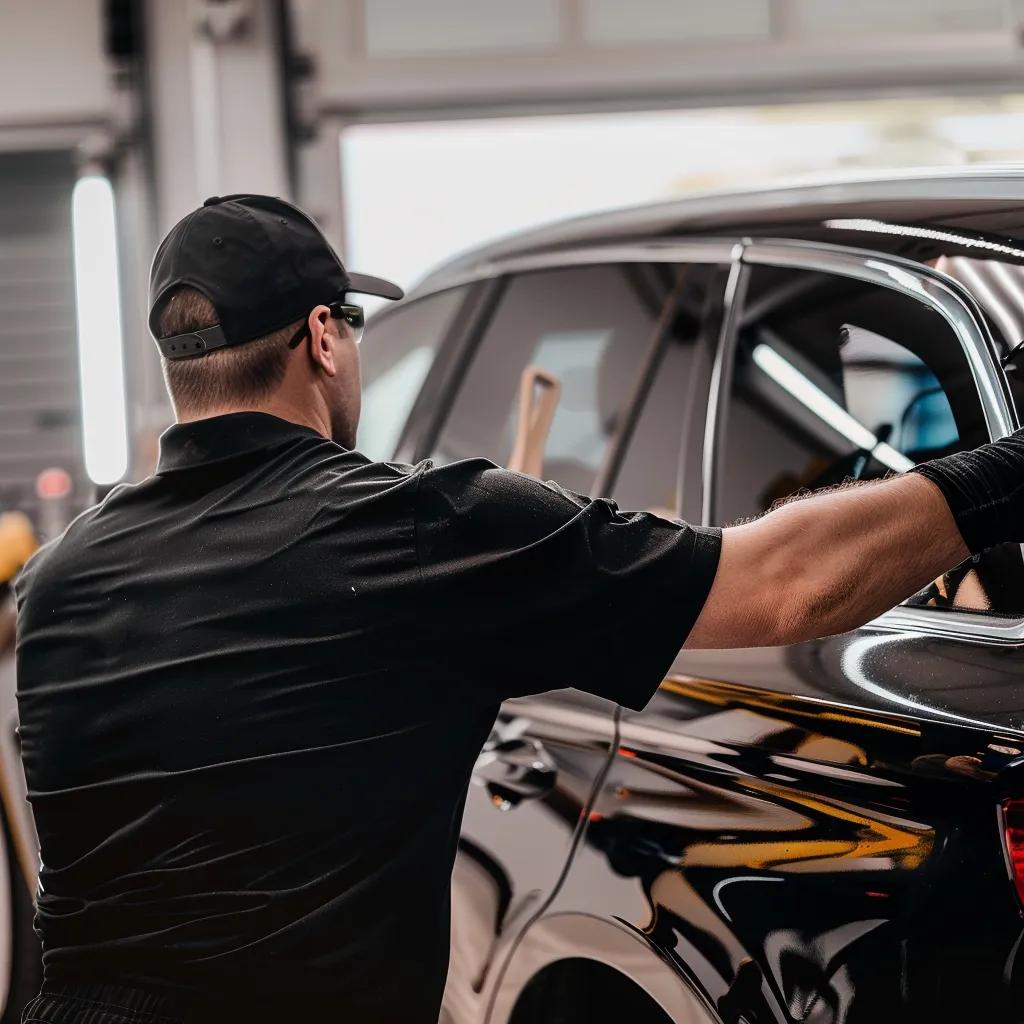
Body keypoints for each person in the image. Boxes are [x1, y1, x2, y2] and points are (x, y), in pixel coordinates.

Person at [13, 193, 1024, 1024]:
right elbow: (782, 583)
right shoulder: (419, 531)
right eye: (350, 324)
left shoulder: (57, 584)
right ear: (321, 336)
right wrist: (1006, 475)